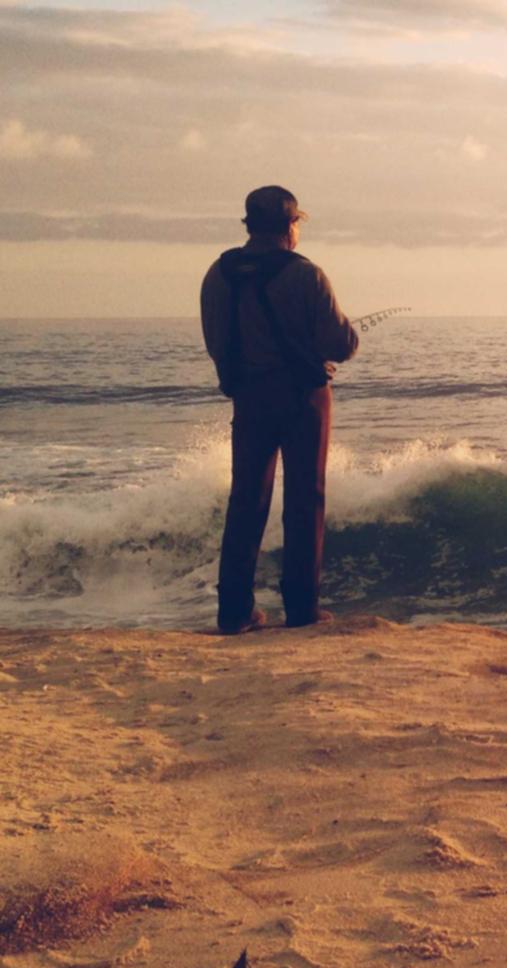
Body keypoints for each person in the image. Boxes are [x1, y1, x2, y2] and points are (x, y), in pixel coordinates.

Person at [200, 186, 359, 635]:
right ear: (291, 226)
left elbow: (216, 341)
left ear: (249, 226)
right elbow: (341, 344)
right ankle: (303, 610)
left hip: (248, 397)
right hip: (303, 400)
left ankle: (234, 612)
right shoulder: (306, 275)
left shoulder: (219, 273)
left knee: (246, 500)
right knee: (305, 499)